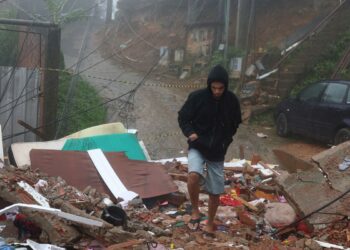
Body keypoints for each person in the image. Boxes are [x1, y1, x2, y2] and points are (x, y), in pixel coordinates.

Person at [178, 64, 242, 237]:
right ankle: (195, 211)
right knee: (193, 175)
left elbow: (236, 123)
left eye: (220, 88)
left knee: (215, 190)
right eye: (213, 88)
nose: (217, 91)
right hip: (197, 146)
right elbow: (183, 117)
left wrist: (225, 141)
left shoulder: (231, 101)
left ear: (225, 86)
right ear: (209, 85)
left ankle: (210, 221)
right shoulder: (197, 97)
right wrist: (191, 133)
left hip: (217, 151)